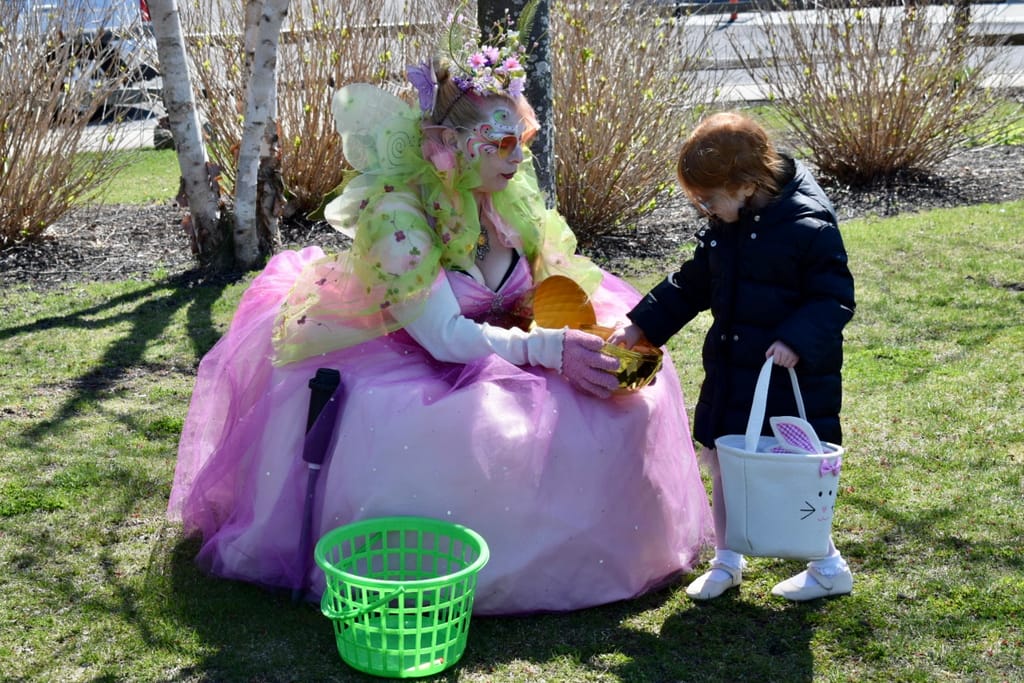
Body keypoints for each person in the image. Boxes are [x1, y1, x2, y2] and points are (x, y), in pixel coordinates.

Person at [167, 7, 713, 615]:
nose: (516, 157)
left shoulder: (506, 200)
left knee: (623, 401)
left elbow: (549, 287)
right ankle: (479, 568)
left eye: (520, 140)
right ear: (449, 146)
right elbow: (445, 338)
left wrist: (583, 332)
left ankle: (599, 554)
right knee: (459, 427)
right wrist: (550, 349)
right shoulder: (398, 218)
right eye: (500, 143)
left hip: (511, 343)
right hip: (415, 359)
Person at [609, 111, 856, 602]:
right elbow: (694, 282)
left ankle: (828, 565)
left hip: (788, 380)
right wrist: (642, 324)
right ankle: (726, 562)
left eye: (708, 199)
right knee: (725, 462)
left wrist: (795, 340)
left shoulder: (807, 224)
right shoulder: (728, 223)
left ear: (745, 185)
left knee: (789, 476)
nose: (704, 209)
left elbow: (833, 297)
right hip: (731, 372)